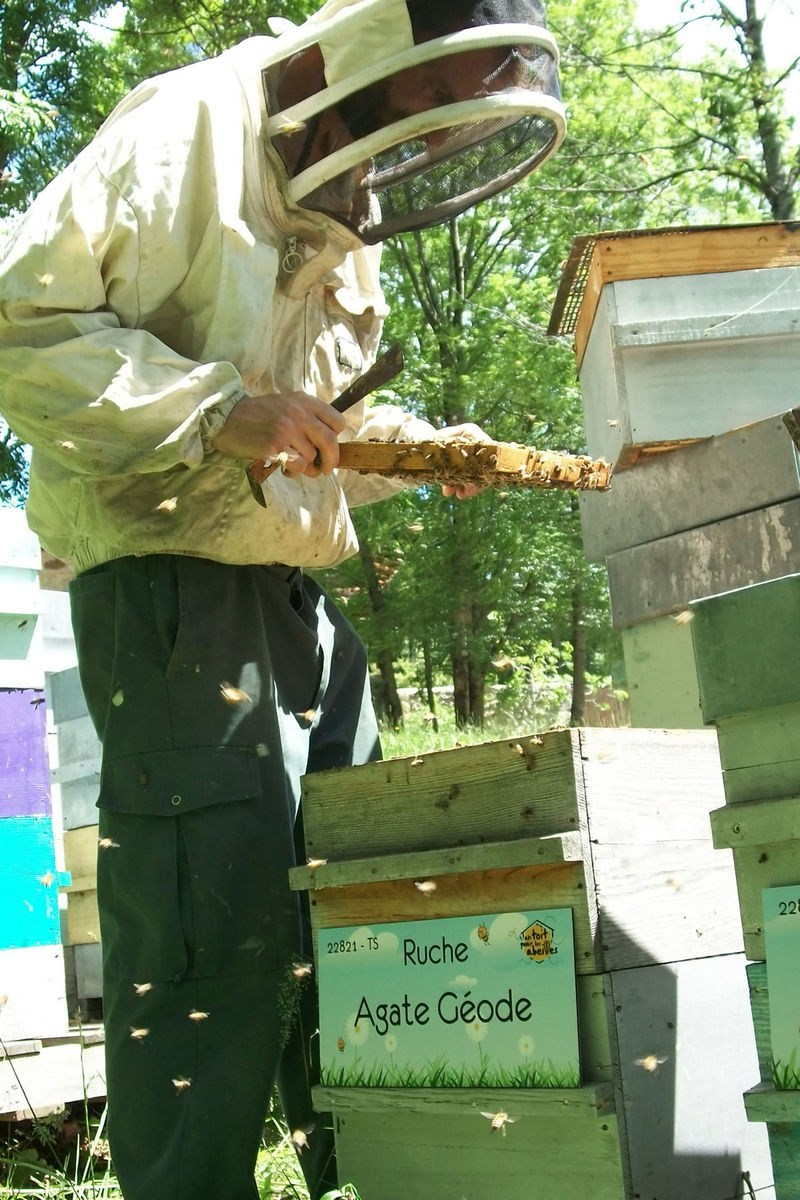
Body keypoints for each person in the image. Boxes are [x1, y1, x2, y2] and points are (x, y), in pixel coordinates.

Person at [0, 2, 564, 1197]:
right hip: (166, 593)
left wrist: (414, 448)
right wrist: (210, 411)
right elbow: (21, 321)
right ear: (360, 64)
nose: (413, 149)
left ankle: (362, 1173)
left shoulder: (339, 208)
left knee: (358, 913)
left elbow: (314, 426)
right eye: (421, 107)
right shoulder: (184, 132)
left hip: (293, 603)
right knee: (213, 955)